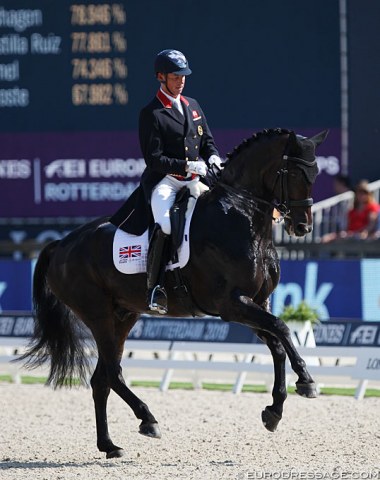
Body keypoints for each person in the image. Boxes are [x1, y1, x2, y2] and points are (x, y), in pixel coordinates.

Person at [111, 49, 222, 314]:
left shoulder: (193, 105)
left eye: (183, 76)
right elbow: (154, 158)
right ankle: (156, 288)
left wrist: (214, 157)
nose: (181, 81)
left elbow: (206, 140)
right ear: (161, 77)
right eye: (175, 76)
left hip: (195, 179)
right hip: (166, 181)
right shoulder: (151, 113)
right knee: (165, 224)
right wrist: (186, 165)